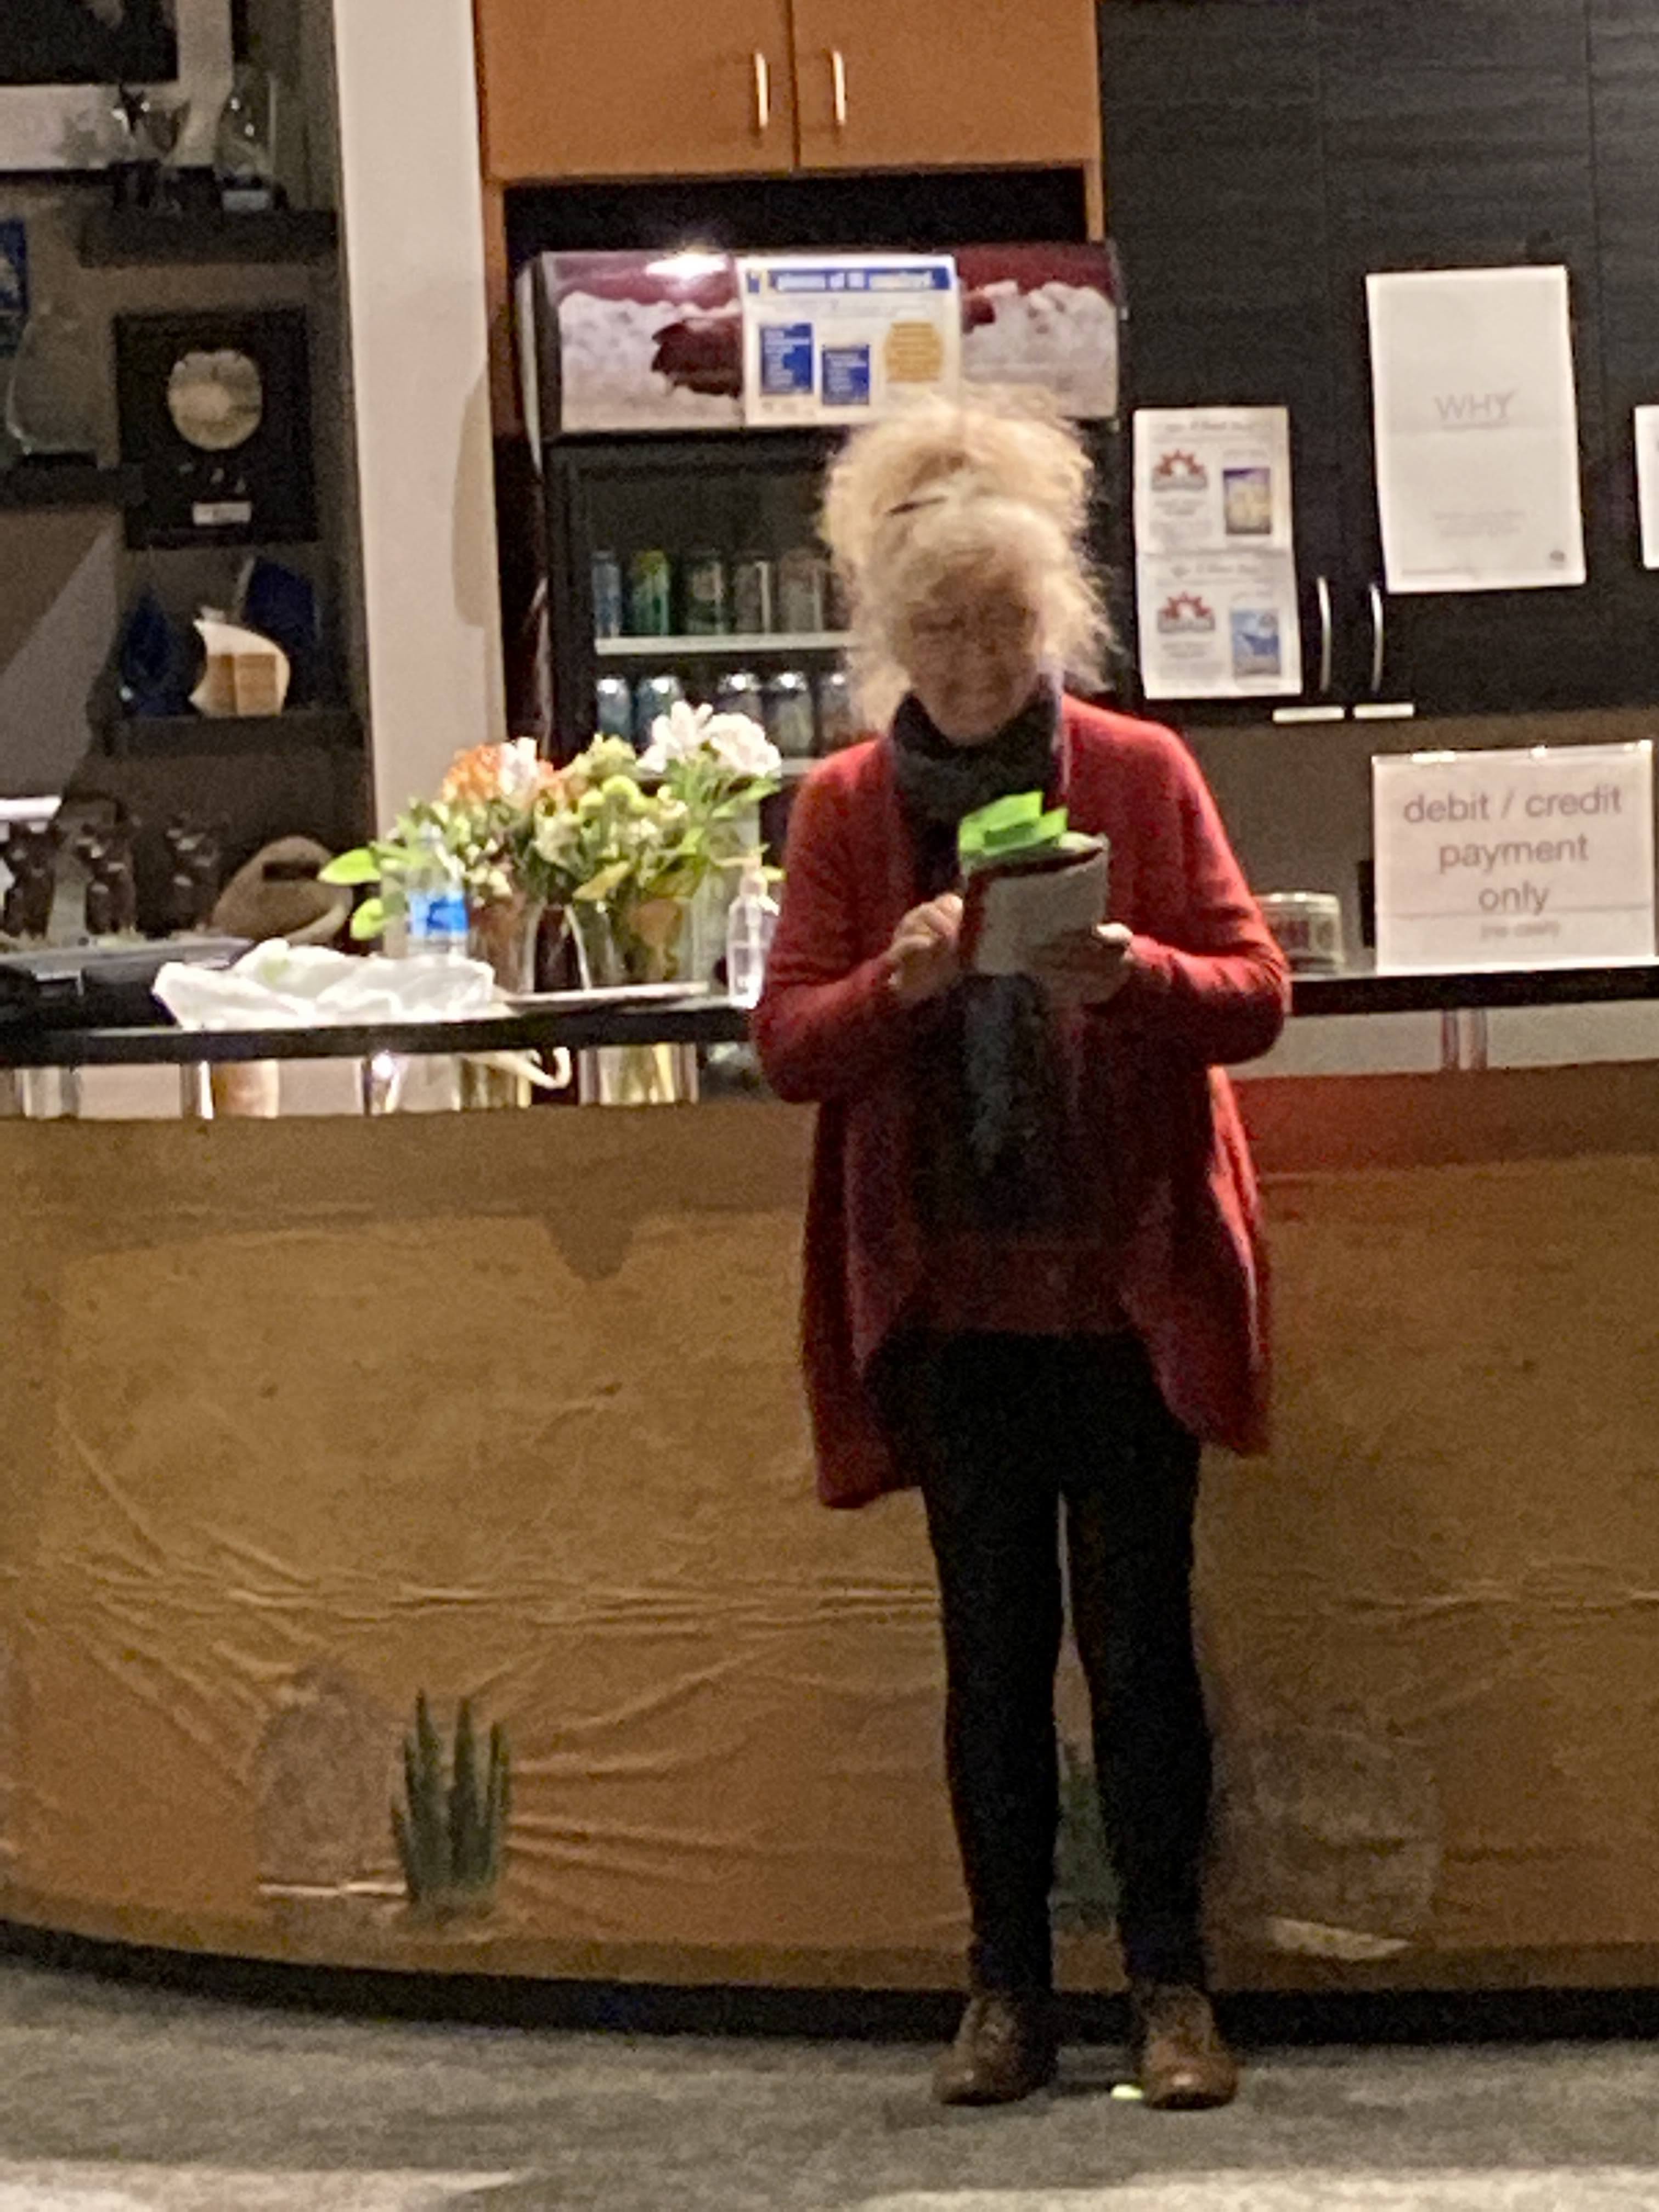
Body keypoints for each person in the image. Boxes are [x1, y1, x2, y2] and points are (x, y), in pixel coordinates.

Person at [753, 394, 1289, 2113]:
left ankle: (1172, 1991)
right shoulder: (845, 808)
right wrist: (893, 987)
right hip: (957, 1306)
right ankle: (1005, 1993)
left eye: (1002, 626)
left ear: (1052, 619)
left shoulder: (1139, 773)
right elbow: (790, 1046)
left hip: (1125, 1287)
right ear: (889, 645)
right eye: (941, 634)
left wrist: (1130, 975)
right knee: (988, 1657)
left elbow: (1255, 996)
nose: (976, 663)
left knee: (1141, 1652)